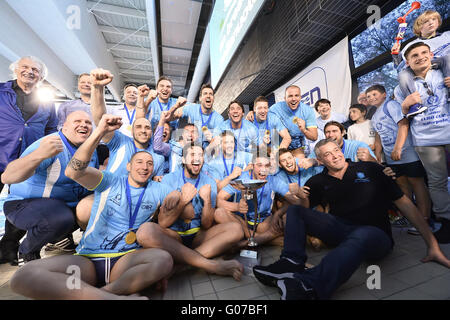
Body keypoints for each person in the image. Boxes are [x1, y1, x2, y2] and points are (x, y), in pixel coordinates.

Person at [253, 139, 450, 300]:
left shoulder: (370, 170)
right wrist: (302, 199)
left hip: (376, 236)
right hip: (343, 230)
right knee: (295, 212)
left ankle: (308, 285)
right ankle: (289, 263)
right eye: (327, 154)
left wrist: (432, 244)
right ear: (320, 160)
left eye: (336, 150)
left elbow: (405, 204)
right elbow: (304, 211)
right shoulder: (318, 181)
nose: (335, 155)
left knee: (363, 233)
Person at [9, 114, 178, 299]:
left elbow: (178, 200)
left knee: (163, 260)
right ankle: (113, 296)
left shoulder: (158, 188)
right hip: (88, 261)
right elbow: (74, 170)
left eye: (149, 164)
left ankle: (104, 294)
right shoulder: (109, 181)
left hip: (126, 260)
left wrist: (177, 194)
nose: (144, 167)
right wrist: (99, 131)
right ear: (128, 166)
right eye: (139, 162)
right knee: (23, 276)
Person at [0, 111, 98, 265]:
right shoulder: (49, 144)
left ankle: (60, 238)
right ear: (64, 127)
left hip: (60, 206)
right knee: (60, 219)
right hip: (23, 205)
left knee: (97, 206)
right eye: (77, 121)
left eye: (88, 122)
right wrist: (38, 154)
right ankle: (27, 252)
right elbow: (7, 177)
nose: (84, 125)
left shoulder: (90, 150)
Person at [136, 143, 245, 280]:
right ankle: (208, 263)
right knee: (145, 232)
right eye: (193, 154)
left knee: (236, 229)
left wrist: (206, 202)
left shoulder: (209, 182)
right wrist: (183, 201)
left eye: (200, 155)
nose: (197, 158)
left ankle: (183, 265)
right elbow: (163, 223)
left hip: (198, 235)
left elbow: (206, 224)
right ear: (183, 160)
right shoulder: (169, 179)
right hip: (174, 235)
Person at [394, 42, 450, 243]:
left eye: (423, 53)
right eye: (414, 55)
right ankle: (446, 220)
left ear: (431, 54)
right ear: (408, 62)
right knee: (437, 182)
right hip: (426, 140)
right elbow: (403, 116)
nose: (420, 57)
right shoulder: (402, 85)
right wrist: (405, 106)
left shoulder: (443, 72)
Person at [371, 84, 432, 235]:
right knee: (402, 185)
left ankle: (424, 219)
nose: (371, 98)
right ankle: (412, 218)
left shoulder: (391, 105)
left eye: (374, 94)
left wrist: (398, 148)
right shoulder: (373, 116)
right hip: (392, 158)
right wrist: (378, 156)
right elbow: (378, 137)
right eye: (368, 96)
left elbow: (403, 123)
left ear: (384, 94)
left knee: (417, 184)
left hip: (407, 152)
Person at [216, 149, 310, 247]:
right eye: (259, 165)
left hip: (263, 222)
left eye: (266, 165)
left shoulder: (273, 180)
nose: (263, 169)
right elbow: (219, 199)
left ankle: (250, 240)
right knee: (219, 213)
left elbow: (299, 204)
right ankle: (265, 238)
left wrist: (299, 195)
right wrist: (237, 207)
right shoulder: (241, 178)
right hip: (241, 222)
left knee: (286, 219)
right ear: (252, 166)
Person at [391, 10, 449, 118]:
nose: (431, 23)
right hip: (426, 75)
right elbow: (400, 66)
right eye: (426, 21)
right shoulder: (411, 46)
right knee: (403, 74)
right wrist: (395, 55)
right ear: (419, 27)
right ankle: (415, 105)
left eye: (434, 19)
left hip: (445, 68)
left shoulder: (448, 35)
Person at [165, 83, 224, 150]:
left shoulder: (219, 119)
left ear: (213, 98)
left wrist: (211, 140)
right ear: (200, 98)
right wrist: (176, 106)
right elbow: (169, 118)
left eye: (211, 94)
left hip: (204, 154)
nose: (208, 96)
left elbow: (218, 145)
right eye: (205, 93)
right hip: (187, 149)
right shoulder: (191, 108)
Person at [268, 85, 318, 153]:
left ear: (300, 97)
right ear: (285, 98)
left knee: (301, 162)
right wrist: (252, 113)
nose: (293, 99)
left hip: (297, 147)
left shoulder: (308, 111)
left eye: (296, 95)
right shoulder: (275, 109)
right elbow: (262, 114)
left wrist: (304, 130)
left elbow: (314, 137)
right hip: (279, 145)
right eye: (290, 96)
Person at [310, 121, 377, 162]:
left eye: (334, 131)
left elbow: (378, 167)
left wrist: (370, 159)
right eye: (327, 132)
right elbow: (306, 162)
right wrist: (313, 161)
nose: (331, 135)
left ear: (342, 133)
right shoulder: (321, 149)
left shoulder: (358, 146)